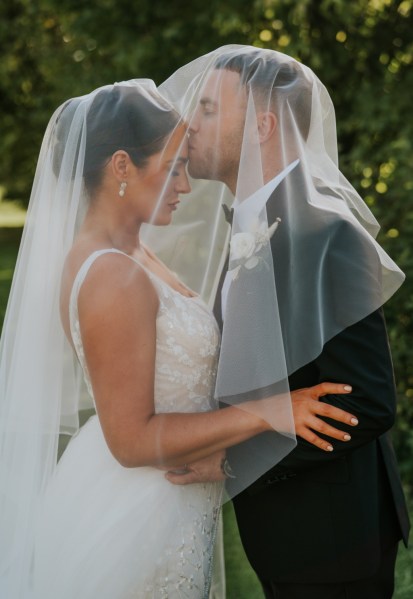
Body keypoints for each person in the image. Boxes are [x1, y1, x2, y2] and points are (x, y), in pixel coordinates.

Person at [0, 80, 358, 599]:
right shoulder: (111, 275)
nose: (186, 185)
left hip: (169, 500)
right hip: (135, 513)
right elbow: (130, 441)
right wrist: (271, 412)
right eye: (174, 167)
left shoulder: (132, 255)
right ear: (122, 166)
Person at [159, 46, 410, 598]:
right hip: (284, 534)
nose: (188, 125)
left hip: (335, 539)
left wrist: (229, 458)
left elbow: (365, 400)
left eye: (206, 110)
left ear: (262, 126)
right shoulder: (252, 221)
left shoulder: (325, 232)